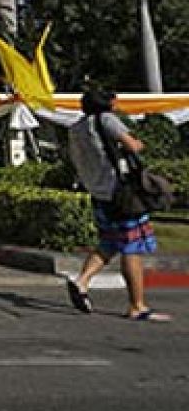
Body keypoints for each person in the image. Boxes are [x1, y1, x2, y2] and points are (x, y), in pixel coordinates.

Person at [65, 86, 171, 321]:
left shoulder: (76, 128)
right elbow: (133, 145)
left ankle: (82, 281)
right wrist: (137, 143)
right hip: (121, 192)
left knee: (109, 242)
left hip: (98, 192)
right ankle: (137, 305)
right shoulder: (106, 120)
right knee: (132, 248)